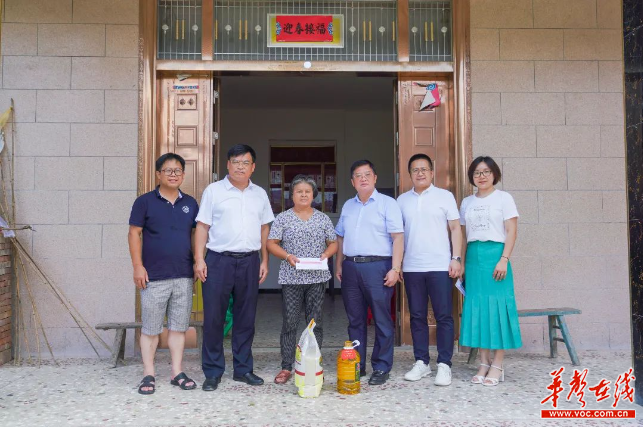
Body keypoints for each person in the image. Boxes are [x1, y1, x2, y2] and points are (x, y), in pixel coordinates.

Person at [194, 144, 274, 391]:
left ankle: (243, 369)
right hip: (218, 261)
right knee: (214, 318)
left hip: (250, 261)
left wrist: (264, 260)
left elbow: (264, 228)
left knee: (246, 318)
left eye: (245, 162)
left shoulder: (259, 194)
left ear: (253, 167)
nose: (240, 167)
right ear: (228, 165)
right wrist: (199, 259)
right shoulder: (214, 191)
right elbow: (202, 226)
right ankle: (213, 371)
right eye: (236, 162)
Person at [128, 153, 199, 395]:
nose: (173, 174)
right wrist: (138, 266)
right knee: (150, 328)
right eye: (168, 170)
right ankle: (148, 373)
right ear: (158, 174)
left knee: (178, 327)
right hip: (153, 277)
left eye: (177, 170)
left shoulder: (190, 203)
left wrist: (197, 261)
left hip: (183, 275)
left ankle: (176, 372)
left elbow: (195, 234)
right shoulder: (144, 202)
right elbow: (134, 233)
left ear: (183, 175)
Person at [335, 160, 404, 386]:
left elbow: (398, 238)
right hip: (351, 267)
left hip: (378, 267)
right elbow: (340, 237)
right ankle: (357, 363)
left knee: (381, 319)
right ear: (352, 181)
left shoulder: (388, 203)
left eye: (367, 174)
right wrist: (339, 264)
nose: (363, 178)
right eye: (358, 175)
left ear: (375, 178)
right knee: (355, 320)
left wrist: (395, 268)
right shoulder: (348, 206)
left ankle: (382, 366)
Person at [397, 154, 462, 386]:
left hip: (440, 266)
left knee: (444, 316)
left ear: (432, 172)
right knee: (416, 316)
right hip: (412, 267)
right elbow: (397, 235)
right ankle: (421, 362)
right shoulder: (401, 200)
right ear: (410, 174)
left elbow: (455, 228)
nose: (420, 173)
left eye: (424, 169)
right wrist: (398, 263)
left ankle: (444, 364)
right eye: (415, 170)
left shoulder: (445, 196)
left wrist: (456, 258)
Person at [267, 175, 338, 384]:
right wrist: (287, 256)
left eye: (307, 191)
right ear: (292, 195)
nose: (304, 195)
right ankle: (286, 366)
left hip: (317, 278)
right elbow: (271, 243)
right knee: (290, 321)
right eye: (299, 191)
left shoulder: (322, 218)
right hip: (292, 278)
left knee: (314, 322)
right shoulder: (283, 218)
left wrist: (326, 254)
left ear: (313, 195)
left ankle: (312, 363)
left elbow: (333, 243)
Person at [459, 156, 522, 387]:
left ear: (494, 174)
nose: (482, 176)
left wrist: (504, 259)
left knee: (497, 310)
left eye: (486, 171)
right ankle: (483, 363)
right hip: (473, 258)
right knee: (478, 310)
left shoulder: (504, 198)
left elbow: (511, 231)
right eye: (477, 172)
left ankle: (498, 364)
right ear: (472, 177)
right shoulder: (466, 202)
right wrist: (462, 262)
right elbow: (463, 237)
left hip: (496, 256)